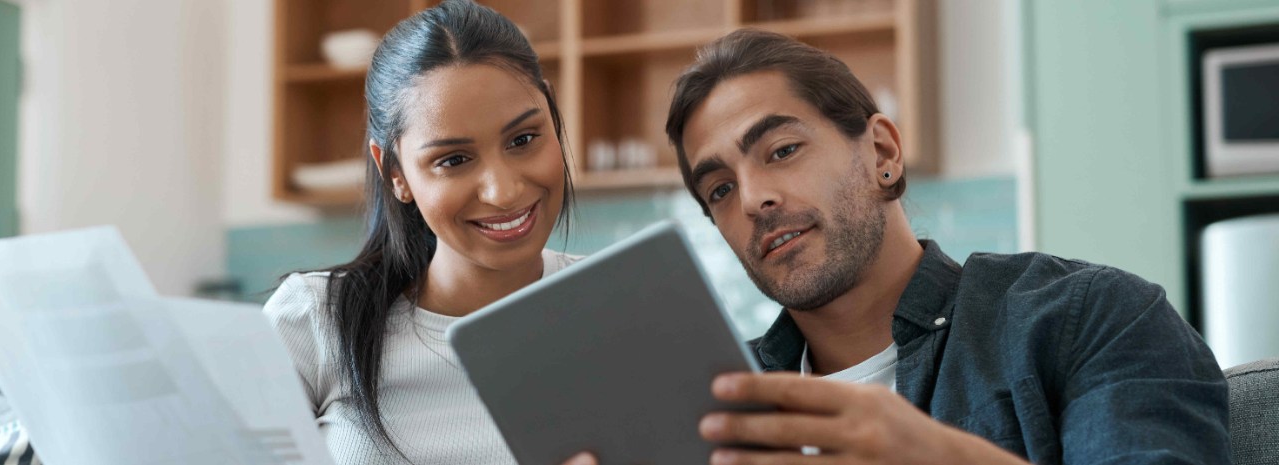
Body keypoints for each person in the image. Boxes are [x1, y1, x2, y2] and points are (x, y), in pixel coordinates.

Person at [567, 29, 1228, 465]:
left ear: (881, 151)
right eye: (717, 189)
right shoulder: (710, 406)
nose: (753, 199)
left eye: (783, 149)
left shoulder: (1089, 317)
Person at [262, 1, 578, 463]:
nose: (504, 191)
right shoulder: (313, 323)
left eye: (523, 139)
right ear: (395, 173)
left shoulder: (629, 307)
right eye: (453, 160)